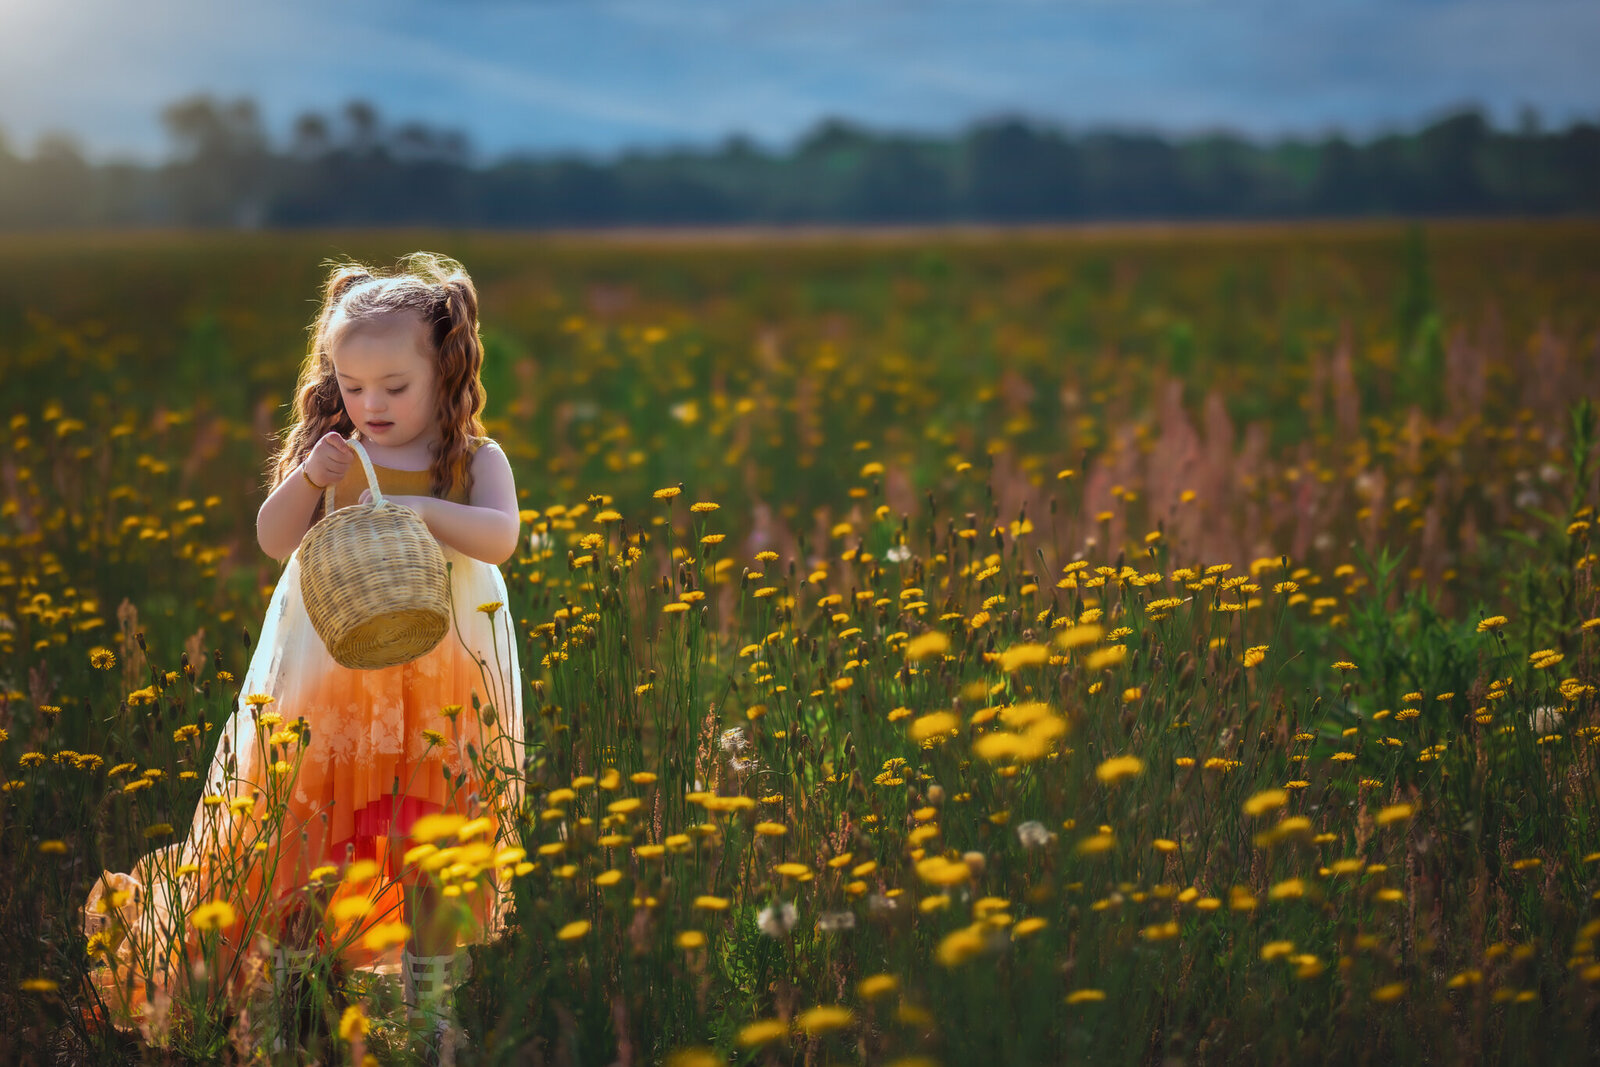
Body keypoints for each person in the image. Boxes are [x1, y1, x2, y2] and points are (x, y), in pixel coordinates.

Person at [83, 253, 525, 1052]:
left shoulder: (472, 459)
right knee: (314, 828)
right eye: (353, 387)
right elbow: (274, 539)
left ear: (447, 370)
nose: (371, 404)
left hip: (446, 678)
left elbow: (500, 536)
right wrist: (308, 478)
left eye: (394, 386)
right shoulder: (336, 453)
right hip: (334, 681)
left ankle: (431, 1006)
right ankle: (294, 989)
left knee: (434, 836)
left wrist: (419, 506)